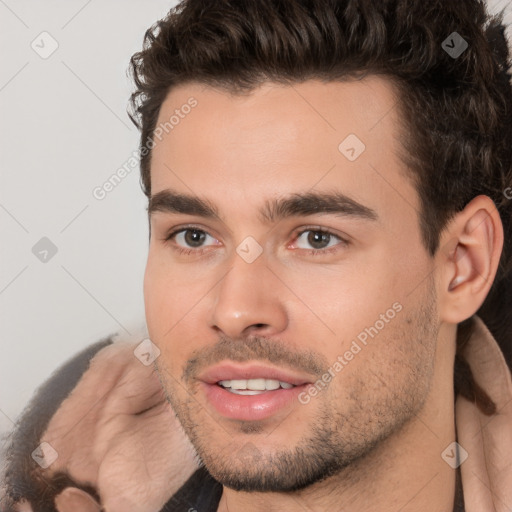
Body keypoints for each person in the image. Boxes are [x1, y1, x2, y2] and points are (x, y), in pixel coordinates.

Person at [2, 0, 512, 510]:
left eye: (316, 238)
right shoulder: (57, 461)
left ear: (462, 265)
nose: (235, 311)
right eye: (194, 236)